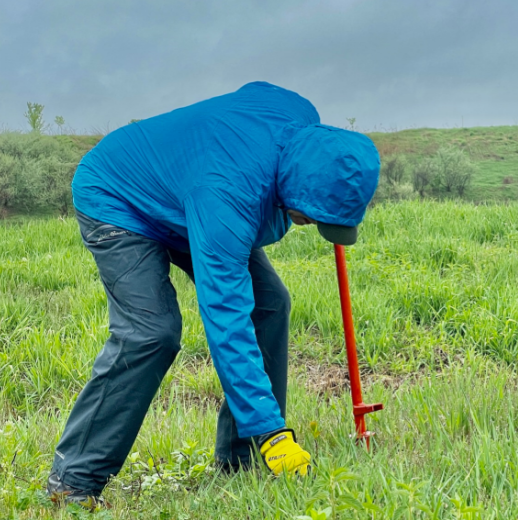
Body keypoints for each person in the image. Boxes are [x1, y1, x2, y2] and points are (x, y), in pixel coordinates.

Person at [47, 81, 380, 509]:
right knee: (151, 333)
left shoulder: (302, 122)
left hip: (189, 193)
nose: (309, 225)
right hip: (119, 196)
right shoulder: (228, 196)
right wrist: (273, 431)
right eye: (310, 217)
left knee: (271, 304)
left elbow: (256, 93)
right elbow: (226, 316)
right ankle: (73, 480)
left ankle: (240, 460)